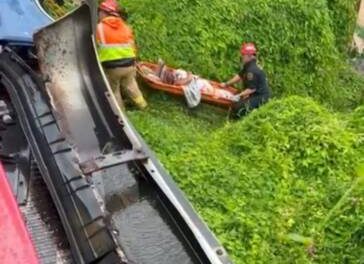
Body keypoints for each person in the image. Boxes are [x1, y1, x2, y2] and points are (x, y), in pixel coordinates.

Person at [96, 0, 147, 110]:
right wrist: (134, 61)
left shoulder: (99, 28)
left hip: (112, 67)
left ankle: (120, 113)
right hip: (129, 65)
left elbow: (95, 46)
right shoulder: (125, 27)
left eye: (100, 12)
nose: (99, 14)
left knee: (114, 90)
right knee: (131, 85)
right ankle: (142, 105)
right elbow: (132, 45)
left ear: (105, 13)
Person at [222, 42, 271, 118]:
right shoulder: (248, 65)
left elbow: (251, 89)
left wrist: (238, 95)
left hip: (260, 97)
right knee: (238, 102)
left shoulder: (252, 70)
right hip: (254, 94)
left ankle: (252, 114)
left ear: (249, 56)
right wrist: (226, 84)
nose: (242, 57)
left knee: (238, 108)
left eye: (243, 55)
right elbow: (239, 76)